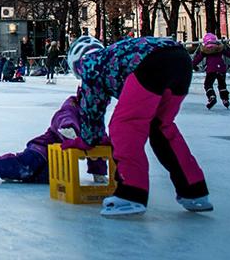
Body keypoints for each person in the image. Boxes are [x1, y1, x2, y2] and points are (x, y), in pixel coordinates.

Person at [66, 35, 211, 217]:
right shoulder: (112, 57)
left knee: (124, 126)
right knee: (161, 128)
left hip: (152, 64)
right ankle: (194, 190)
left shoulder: (91, 64)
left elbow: (92, 109)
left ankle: (132, 193)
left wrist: (88, 139)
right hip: (180, 59)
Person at [0, 95, 108, 184]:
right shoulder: (73, 105)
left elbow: (99, 142)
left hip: (59, 162)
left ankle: (12, 174)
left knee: (39, 177)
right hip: (42, 149)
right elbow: (64, 116)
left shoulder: (95, 117)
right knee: (25, 165)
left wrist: (99, 172)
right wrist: (69, 128)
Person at [193, 33, 230, 109]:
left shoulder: (205, 50)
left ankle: (212, 96)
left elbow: (197, 60)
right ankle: (225, 100)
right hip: (221, 69)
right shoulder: (219, 48)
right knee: (222, 85)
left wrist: (192, 65)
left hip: (211, 70)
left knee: (208, 84)